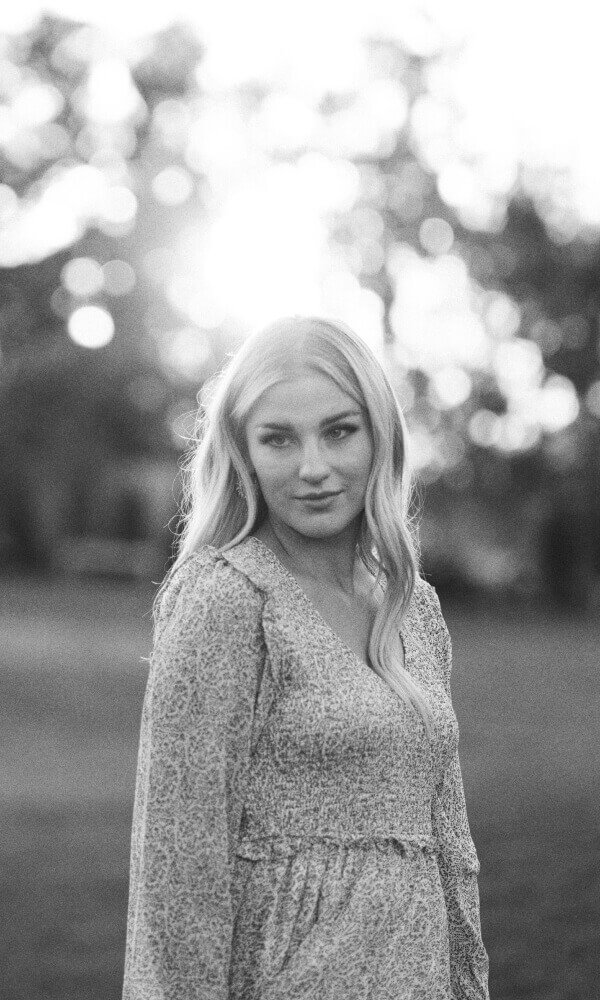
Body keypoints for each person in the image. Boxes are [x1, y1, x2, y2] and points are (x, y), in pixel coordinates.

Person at [122, 315, 490, 1000]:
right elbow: (178, 869)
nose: (313, 468)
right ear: (243, 452)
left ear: (379, 435)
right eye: (279, 439)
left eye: (339, 431)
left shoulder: (413, 605)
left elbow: (449, 838)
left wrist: (467, 983)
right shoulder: (226, 600)